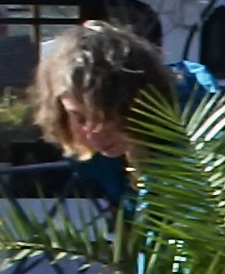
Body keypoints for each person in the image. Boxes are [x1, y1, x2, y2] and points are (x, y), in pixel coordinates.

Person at [20, 18, 179, 194]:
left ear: (138, 102)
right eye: (79, 118)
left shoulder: (195, 143)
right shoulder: (96, 160)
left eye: (104, 117)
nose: (93, 135)